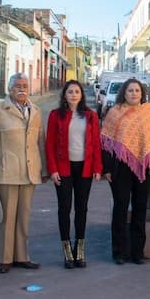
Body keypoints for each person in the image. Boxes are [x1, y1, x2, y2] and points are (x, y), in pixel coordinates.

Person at [0, 73, 47, 274]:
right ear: (9, 89)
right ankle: (5, 258)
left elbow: (40, 143)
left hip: (30, 171)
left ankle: (22, 256)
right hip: (7, 170)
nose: (22, 88)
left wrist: (44, 169)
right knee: (7, 217)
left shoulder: (35, 111)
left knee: (24, 216)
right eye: (17, 85)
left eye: (25, 85)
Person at [101, 78, 150, 264]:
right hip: (119, 168)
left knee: (140, 208)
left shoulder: (149, 112)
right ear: (124, 92)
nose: (134, 94)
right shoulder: (115, 113)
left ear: (142, 93)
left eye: (137, 90)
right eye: (130, 90)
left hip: (145, 167)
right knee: (120, 208)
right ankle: (119, 252)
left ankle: (138, 252)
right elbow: (105, 143)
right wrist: (106, 168)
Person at [46, 80, 102, 269]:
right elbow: (50, 144)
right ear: (65, 95)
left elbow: (96, 144)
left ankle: (80, 248)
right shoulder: (55, 115)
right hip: (63, 168)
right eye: (70, 92)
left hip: (84, 168)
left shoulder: (90, 116)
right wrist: (52, 169)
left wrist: (97, 168)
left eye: (77, 92)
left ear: (81, 95)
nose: (73, 95)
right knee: (64, 208)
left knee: (81, 208)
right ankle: (67, 250)